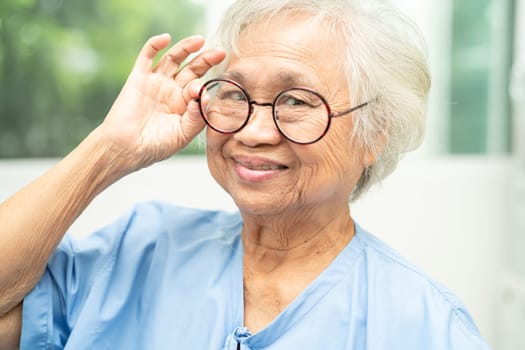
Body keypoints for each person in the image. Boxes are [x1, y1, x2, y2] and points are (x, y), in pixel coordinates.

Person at [0, 0, 491, 349]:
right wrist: (109, 151)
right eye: (233, 94)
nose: (253, 131)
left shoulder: (423, 324)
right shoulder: (139, 249)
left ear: (374, 132)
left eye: (296, 100)